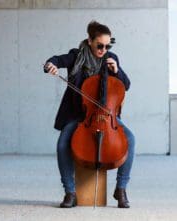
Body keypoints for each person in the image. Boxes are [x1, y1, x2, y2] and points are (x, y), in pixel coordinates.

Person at [43, 20, 135, 208]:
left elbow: (125, 85)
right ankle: (70, 192)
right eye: (99, 45)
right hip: (79, 115)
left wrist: (116, 71)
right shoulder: (76, 56)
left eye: (107, 45)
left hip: (106, 115)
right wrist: (50, 65)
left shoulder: (111, 58)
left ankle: (121, 189)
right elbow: (56, 60)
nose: (103, 49)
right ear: (90, 40)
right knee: (62, 144)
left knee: (131, 139)